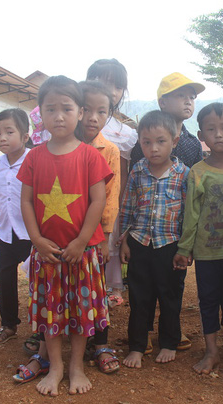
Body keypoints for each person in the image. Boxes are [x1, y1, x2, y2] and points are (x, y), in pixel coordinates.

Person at [17, 75, 112, 396]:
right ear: (40, 114)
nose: (59, 116)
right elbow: (26, 201)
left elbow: (98, 200)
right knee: (51, 311)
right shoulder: (33, 157)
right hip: (46, 254)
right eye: (51, 109)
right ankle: (55, 366)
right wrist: (36, 240)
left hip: (81, 253)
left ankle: (77, 366)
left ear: (80, 112)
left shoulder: (90, 156)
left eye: (67, 108)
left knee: (81, 312)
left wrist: (82, 241)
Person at [173, 102, 223, 375]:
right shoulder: (198, 171)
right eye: (211, 129)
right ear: (201, 135)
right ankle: (211, 350)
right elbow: (191, 213)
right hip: (206, 251)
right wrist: (185, 247)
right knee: (208, 299)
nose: (218, 134)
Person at [120, 110, 189, 368]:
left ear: (175, 140)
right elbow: (128, 208)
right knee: (139, 296)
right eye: (146, 142)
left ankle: (169, 342)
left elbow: (190, 216)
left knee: (170, 295)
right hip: (140, 243)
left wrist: (186, 248)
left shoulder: (184, 174)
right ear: (139, 142)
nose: (153, 148)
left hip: (170, 246)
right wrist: (124, 240)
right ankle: (137, 345)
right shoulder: (138, 171)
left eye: (161, 141)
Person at [0, 109, 34, 352]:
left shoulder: (35, 160)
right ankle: (9, 325)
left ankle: (41, 329)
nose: (2, 138)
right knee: (5, 279)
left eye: (8, 132)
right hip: (5, 232)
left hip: (31, 234)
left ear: (24, 136)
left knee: (38, 282)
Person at [86, 59, 137, 309]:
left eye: (117, 86)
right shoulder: (77, 123)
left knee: (105, 249)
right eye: (103, 81)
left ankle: (104, 294)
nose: (111, 90)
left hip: (110, 202)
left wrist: (119, 206)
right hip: (74, 201)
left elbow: (123, 174)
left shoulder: (124, 132)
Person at [78, 80, 121, 374]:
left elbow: (110, 197)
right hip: (61, 232)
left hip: (94, 236)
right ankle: (49, 336)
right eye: (87, 109)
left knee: (96, 290)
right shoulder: (57, 146)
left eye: (101, 111)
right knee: (62, 286)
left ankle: (100, 342)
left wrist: (106, 237)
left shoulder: (109, 150)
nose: (93, 117)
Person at [129, 72, 205, 170]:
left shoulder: (194, 144)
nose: (188, 101)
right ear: (162, 102)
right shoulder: (146, 140)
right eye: (181, 95)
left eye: (192, 97)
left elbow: (196, 180)